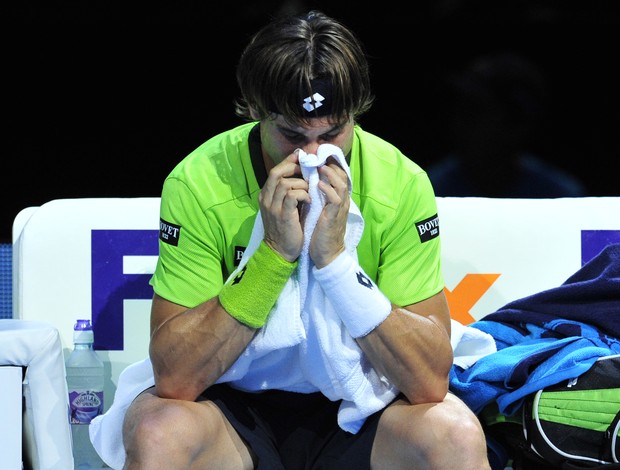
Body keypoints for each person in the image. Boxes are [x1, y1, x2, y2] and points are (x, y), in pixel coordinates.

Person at [99, 10, 491, 470]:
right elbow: (176, 377)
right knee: (157, 429)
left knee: (455, 435)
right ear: (254, 111)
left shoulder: (401, 184)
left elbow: (427, 382)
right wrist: (272, 256)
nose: (311, 157)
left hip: (362, 408)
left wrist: (335, 262)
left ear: (356, 116)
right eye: (290, 134)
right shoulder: (199, 182)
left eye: (332, 134)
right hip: (229, 411)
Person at [427, 52, 588, 198]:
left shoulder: (562, 198)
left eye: (475, 110)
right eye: (460, 107)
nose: (460, 120)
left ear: (517, 125)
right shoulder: (429, 192)